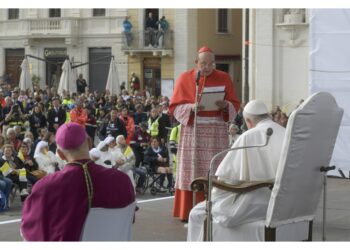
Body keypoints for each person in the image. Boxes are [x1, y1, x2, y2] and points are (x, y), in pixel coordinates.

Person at [187, 100, 286, 241]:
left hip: (255, 205)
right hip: (282, 204)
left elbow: (227, 179)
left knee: (196, 213)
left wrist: (215, 188)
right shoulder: (285, 132)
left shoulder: (248, 136)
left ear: (248, 121)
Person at [21, 122, 135, 241]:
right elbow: (129, 219)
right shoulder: (123, 181)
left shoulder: (45, 187)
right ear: (90, 143)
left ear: (61, 155)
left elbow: (29, 231)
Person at [170, 46, 240, 222]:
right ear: (196, 63)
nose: (207, 67)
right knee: (191, 172)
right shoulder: (185, 78)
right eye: (203, 64)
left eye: (211, 64)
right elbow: (174, 108)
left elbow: (234, 104)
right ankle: (188, 211)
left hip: (216, 131)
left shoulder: (224, 77)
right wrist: (191, 107)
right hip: (193, 130)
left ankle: (214, 209)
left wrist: (226, 105)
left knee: (214, 169)